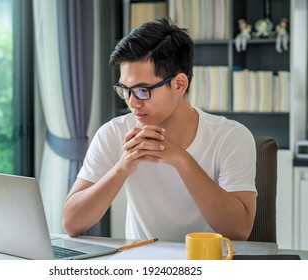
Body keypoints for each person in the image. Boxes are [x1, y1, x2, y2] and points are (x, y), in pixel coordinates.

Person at [62, 18, 257, 242]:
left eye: (143, 90)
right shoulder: (114, 133)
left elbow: (239, 230)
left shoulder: (231, 137)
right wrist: (122, 167)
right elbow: (71, 223)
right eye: (125, 90)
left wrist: (181, 159)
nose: (132, 103)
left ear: (179, 84)